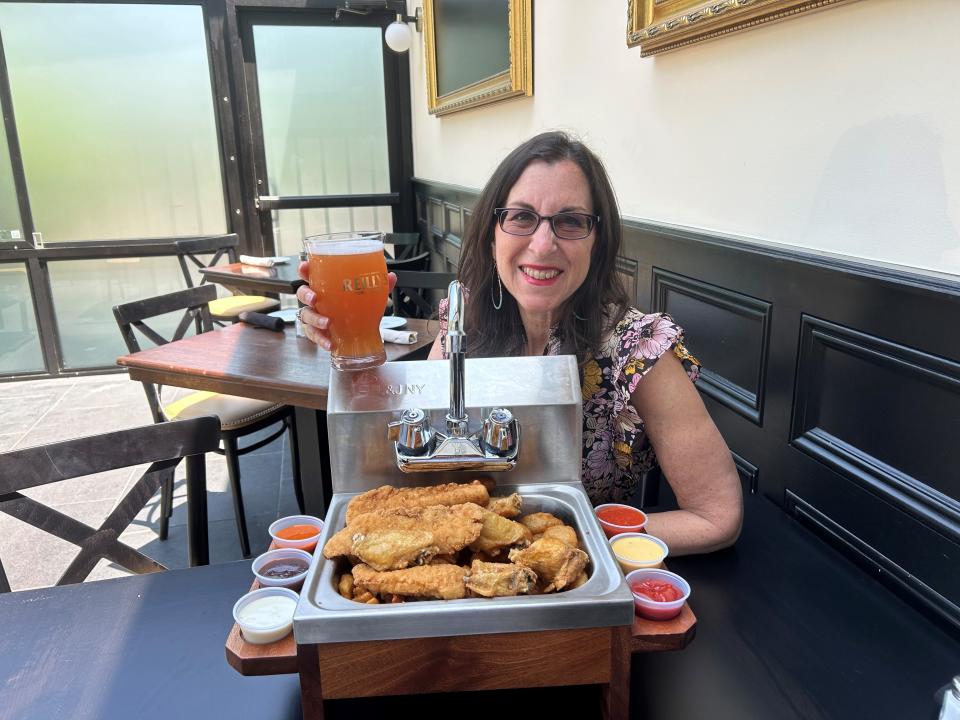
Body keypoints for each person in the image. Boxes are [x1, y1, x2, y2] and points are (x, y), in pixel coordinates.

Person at [297, 131, 742, 555]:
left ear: (597, 241)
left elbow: (716, 517)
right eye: (522, 217)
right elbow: (408, 457)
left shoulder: (640, 347)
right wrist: (353, 354)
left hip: (576, 588)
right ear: (493, 232)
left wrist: (560, 545)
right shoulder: (463, 317)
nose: (543, 244)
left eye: (570, 221)